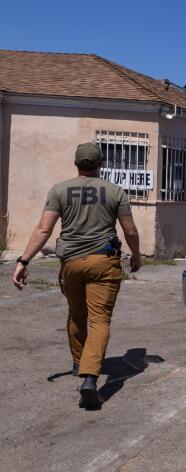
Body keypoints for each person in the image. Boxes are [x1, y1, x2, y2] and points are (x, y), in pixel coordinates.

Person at [11, 143, 142, 407]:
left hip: (70, 263)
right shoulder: (116, 191)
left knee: (76, 313)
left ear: (76, 163)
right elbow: (130, 231)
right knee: (100, 320)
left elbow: (43, 230)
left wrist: (23, 260)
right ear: (100, 164)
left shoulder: (59, 190)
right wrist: (137, 256)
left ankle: (78, 361)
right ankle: (90, 377)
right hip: (103, 263)